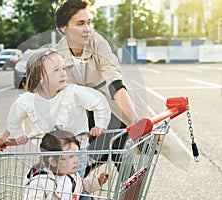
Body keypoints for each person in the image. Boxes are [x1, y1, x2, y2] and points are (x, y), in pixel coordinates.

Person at [54, 0, 191, 172]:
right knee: (101, 154)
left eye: (89, 22)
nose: (87, 28)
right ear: (63, 28)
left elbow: (115, 82)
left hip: (115, 103)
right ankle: (78, 186)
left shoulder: (98, 43)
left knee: (112, 149)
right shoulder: (58, 53)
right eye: (80, 24)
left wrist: (136, 123)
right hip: (90, 112)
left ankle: (81, 185)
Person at [0, 48, 111, 176]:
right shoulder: (29, 101)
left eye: (63, 68)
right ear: (39, 77)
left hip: (74, 156)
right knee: (50, 188)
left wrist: (100, 125)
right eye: (56, 70)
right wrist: (17, 135)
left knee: (72, 188)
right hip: (49, 158)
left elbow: (99, 102)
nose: (63, 74)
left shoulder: (73, 93)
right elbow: (14, 118)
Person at [24, 130, 108, 200]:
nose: (76, 160)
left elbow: (80, 186)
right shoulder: (40, 181)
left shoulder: (71, 174)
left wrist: (98, 181)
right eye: (70, 157)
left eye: (77, 155)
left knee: (85, 196)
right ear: (53, 162)